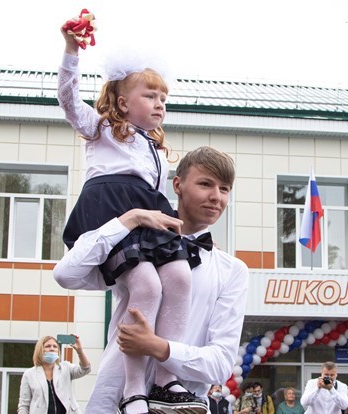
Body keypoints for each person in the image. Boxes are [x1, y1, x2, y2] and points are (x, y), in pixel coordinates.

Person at [58, 13, 204, 414]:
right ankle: (133, 388)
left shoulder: (156, 149)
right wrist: (72, 52)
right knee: (147, 288)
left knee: (178, 278)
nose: (159, 104)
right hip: (112, 209)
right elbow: (69, 100)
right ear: (123, 102)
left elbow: (160, 200)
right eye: (149, 96)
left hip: (148, 208)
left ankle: (165, 377)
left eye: (163, 98)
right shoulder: (102, 128)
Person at [53, 146, 248, 414]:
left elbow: (221, 363)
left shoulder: (232, 271)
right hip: (112, 402)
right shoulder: (133, 246)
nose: (216, 197)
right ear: (177, 185)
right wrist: (129, 220)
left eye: (225, 189)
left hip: (181, 405)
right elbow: (67, 274)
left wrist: (159, 347)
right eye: (205, 184)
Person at [17, 335, 90, 414]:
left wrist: (80, 351)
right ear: (40, 350)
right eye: (48, 346)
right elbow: (24, 405)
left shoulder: (65, 368)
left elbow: (85, 369)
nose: (52, 348)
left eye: (55, 346)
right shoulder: (29, 374)